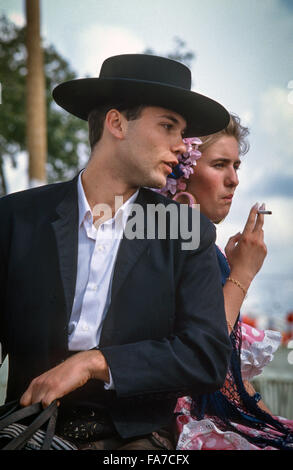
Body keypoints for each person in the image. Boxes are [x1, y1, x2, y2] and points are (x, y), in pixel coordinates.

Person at [0, 54, 232, 450]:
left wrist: (95, 363)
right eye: (167, 127)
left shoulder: (188, 230)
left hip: (136, 440)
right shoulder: (16, 218)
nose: (181, 146)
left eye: (182, 132)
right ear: (116, 123)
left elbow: (206, 355)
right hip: (25, 428)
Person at [157, 114, 293, 450]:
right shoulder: (170, 237)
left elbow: (232, 378)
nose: (233, 180)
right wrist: (241, 275)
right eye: (219, 165)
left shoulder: (194, 241)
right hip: (184, 425)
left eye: (236, 166)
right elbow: (204, 350)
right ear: (181, 172)